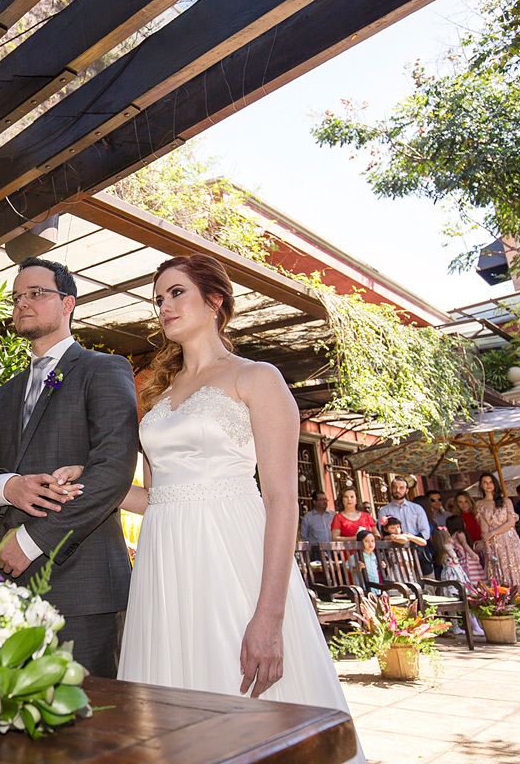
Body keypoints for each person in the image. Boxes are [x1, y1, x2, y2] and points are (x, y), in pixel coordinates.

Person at [100, 254, 364, 762]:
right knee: (171, 710)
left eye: (176, 292)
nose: (164, 306)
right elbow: (156, 498)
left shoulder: (257, 377)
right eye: (158, 298)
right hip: (164, 569)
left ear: (215, 300)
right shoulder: (156, 395)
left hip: (231, 559)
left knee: (244, 708)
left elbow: (282, 496)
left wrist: (269, 615)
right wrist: (86, 489)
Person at [0, 256, 138, 679]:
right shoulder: (3, 396)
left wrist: (33, 540)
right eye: (17, 296)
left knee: (90, 727)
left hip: (83, 586)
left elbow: (112, 470)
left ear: (67, 304)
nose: (22, 303)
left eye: (36, 293)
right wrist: (9, 487)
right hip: (10, 591)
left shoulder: (104, 370)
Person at [475, 472, 520, 602]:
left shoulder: (505, 501)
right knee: (499, 571)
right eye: (485, 482)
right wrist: (487, 548)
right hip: (493, 543)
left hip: (509, 539)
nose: (488, 485)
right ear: (481, 485)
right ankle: (505, 603)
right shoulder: (479, 504)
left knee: (515, 569)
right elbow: (484, 527)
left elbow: (511, 522)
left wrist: (492, 533)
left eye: (491, 482)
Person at [429, 528, 485, 637]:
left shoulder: (439, 548)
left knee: (451, 600)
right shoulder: (448, 547)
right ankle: (475, 627)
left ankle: (455, 627)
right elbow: (452, 555)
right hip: (456, 574)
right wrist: (455, 558)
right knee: (466, 598)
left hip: (447, 575)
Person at [378, 477, 431, 574]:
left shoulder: (417, 508)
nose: (397, 490)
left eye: (401, 488)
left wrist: (411, 539)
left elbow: (425, 532)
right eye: (395, 487)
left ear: (407, 490)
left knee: (426, 581)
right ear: (391, 489)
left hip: (417, 548)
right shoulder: (384, 510)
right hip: (395, 552)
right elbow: (382, 533)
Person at [382, 517, 427, 583]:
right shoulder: (388, 538)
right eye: (392, 528)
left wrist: (410, 536)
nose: (396, 530)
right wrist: (405, 536)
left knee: (411, 584)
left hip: (409, 569)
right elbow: (403, 540)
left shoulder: (404, 535)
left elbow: (423, 542)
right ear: (386, 529)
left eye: (398, 527)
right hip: (397, 569)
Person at [446, 514, 488, 585]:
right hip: (467, 560)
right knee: (473, 577)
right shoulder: (459, 533)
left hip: (462, 559)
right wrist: (472, 553)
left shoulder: (453, 536)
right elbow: (464, 544)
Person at [299, 491, 335, 555]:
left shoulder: (333, 515)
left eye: (325, 499)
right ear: (314, 502)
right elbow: (304, 537)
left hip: (334, 548)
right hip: (317, 551)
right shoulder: (308, 518)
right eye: (321, 500)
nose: (324, 502)